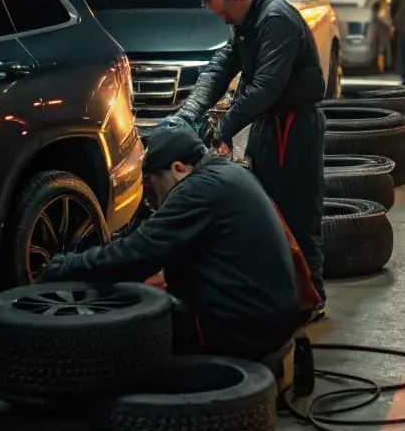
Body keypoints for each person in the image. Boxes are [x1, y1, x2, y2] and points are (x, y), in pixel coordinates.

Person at [39, 121, 303, 359]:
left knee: (130, 333)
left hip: (244, 329)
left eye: (154, 187)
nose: (155, 202)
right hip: (273, 316)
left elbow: (137, 255)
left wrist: (67, 266)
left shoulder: (196, 191)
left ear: (177, 169)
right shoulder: (228, 173)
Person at [177, 0, 328, 318]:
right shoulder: (245, 24)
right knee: (269, 212)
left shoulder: (277, 20)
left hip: (295, 130)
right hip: (268, 126)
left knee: (298, 214)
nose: (225, 20)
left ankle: (312, 298)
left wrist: (224, 128)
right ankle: (281, 294)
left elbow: (265, 86)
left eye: (225, 12)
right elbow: (220, 68)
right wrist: (190, 111)